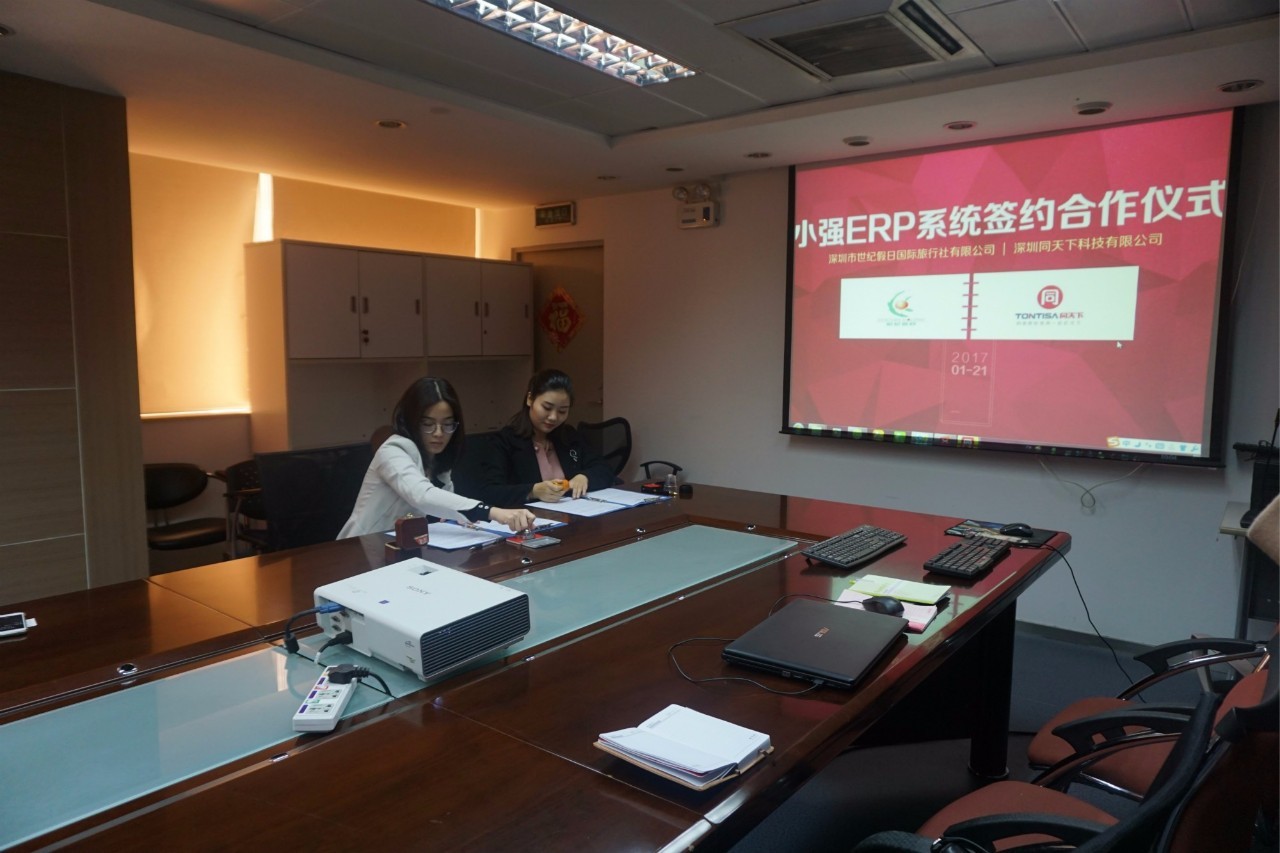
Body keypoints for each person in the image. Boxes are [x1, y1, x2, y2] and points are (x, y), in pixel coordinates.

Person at [338, 377, 537, 538]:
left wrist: (460, 520)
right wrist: (493, 512)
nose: (439, 433)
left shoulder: (437, 457)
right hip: (363, 547)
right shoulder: (394, 449)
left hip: (406, 545)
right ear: (411, 421)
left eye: (447, 424)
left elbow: (444, 508)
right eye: (428, 424)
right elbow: (422, 495)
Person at [460, 369, 614, 507]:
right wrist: (532, 491)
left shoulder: (568, 436)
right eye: (547, 408)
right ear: (530, 399)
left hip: (573, 517)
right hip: (526, 521)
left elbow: (604, 468)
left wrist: (585, 477)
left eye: (562, 411)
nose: (553, 417)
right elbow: (489, 492)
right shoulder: (504, 441)